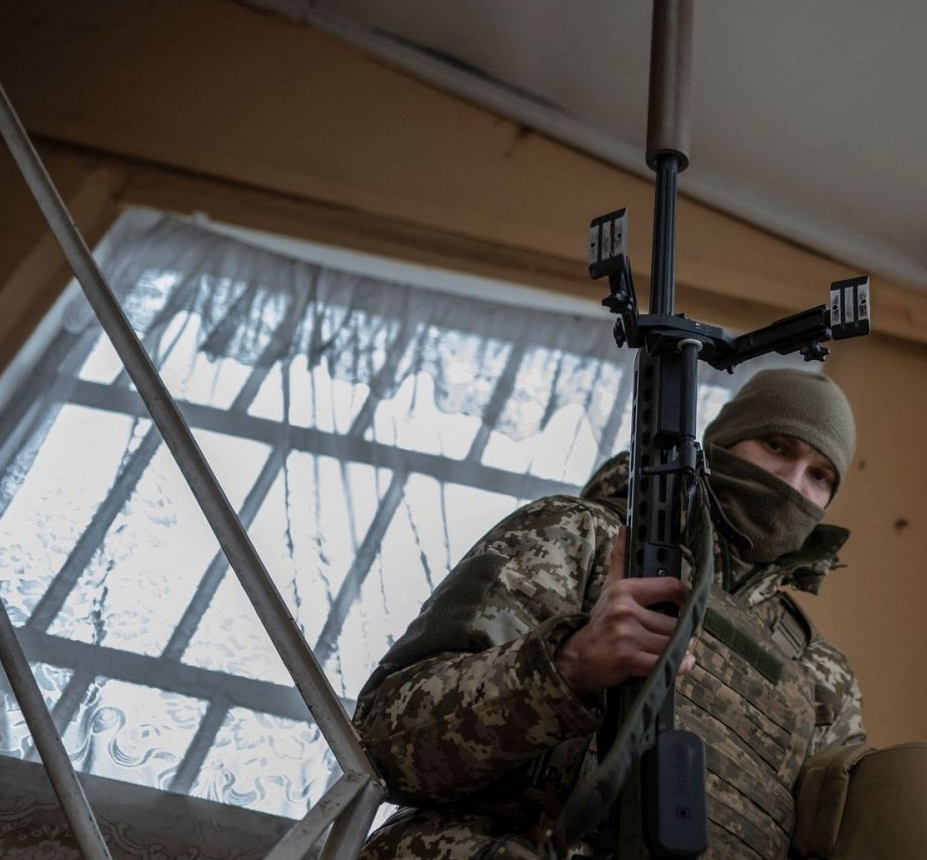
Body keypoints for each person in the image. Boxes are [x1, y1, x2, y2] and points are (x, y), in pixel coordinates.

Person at [352, 368, 866, 859]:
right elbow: (382, 743)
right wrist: (566, 667)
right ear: (721, 442)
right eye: (778, 446)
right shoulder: (582, 536)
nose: (793, 482)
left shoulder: (823, 678)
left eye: (820, 475)